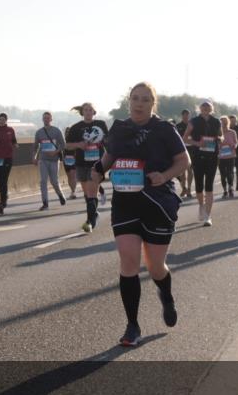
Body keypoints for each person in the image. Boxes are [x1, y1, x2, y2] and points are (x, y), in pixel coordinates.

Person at [91, 82, 189, 347]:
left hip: (158, 202)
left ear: (152, 104)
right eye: (135, 98)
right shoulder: (120, 128)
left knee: (155, 266)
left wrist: (164, 175)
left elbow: (184, 161)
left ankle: (166, 295)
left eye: (145, 99)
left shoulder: (164, 129)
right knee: (129, 261)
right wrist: (98, 169)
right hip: (125, 202)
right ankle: (132, 325)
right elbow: (109, 157)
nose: (139, 103)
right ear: (129, 101)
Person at [65, 103, 109, 233]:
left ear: (94, 112)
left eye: (91, 110)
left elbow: (109, 141)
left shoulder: (101, 124)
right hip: (81, 163)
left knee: (91, 193)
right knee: (87, 193)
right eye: (86, 110)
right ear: (82, 112)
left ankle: (90, 222)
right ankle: (94, 213)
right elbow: (67, 146)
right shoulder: (76, 128)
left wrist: (103, 142)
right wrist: (78, 144)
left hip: (97, 164)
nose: (88, 112)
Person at [182, 101, 222, 226]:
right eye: (203, 106)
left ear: (211, 109)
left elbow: (221, 136)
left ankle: (208, 216)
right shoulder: (194, 121)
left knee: (209, 185)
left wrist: (220, 139)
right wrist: (197, 143)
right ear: (199, 108)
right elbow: (185, 138)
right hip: (198, 156)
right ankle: (201, 206)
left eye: (208, 106)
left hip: (212, 156)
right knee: (199, 185)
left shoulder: (216, 121)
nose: (205, 108)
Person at [33, 112, 67, 209]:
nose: (46, 120)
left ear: (51, 119)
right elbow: (35, 146)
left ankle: (60, 195)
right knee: (43, 181)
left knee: (54, 181)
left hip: (54, 160)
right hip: (43, 159)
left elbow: (63, 145)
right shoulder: (39, 132)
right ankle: (45, 203)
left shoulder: (56, 131)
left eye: (48, 118)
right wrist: (34, 157)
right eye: (44, 118)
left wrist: (55, 152)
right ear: (42, 119)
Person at [174, 109, 197, 198]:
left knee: (190, 170)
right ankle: (184, 188)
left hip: (192, 150)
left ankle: (189, 189)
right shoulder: (178, 126)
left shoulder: (192, 126)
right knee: (182, 172)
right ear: (182, 116)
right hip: (182, 150)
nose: (186, 116)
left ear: (189, 116)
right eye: (184, 115)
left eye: (187, 115)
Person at [218, 116, 238, 198]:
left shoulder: (232, 132)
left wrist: (234, 146)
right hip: (221, 157)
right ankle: (225, 190)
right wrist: (219, 145)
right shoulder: (218, 133)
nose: (224, 124)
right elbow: (215, 143)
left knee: (230, 173)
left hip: (230, 155)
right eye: (222, 123)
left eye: (225, 123)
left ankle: (230, 188)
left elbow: (236, 142)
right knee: (223, 174)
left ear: (228, 123)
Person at [61, 123, 79, 199]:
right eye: (67, 132)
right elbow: (61, 150)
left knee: (73, 175)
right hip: (66, 160)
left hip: (74, 159)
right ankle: (72, 190)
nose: (68, 133)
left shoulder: (75, 141)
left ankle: (73, 191)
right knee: (69, 176)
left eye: (69, 132)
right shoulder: (63, 141)